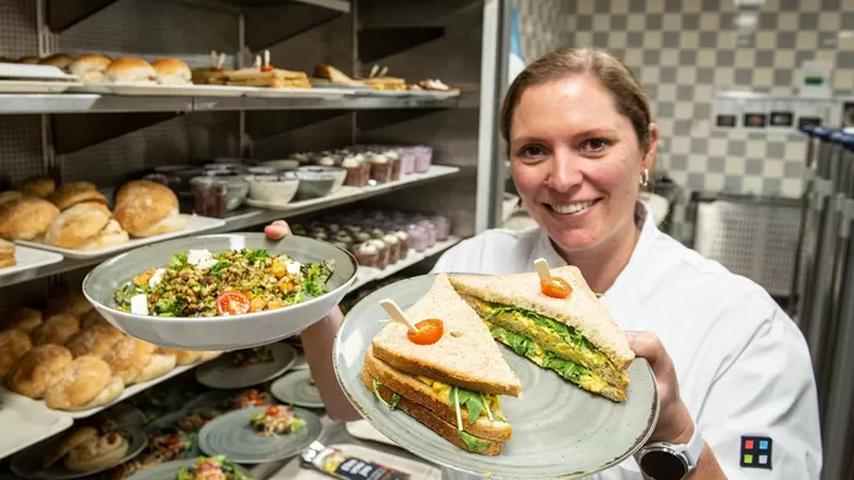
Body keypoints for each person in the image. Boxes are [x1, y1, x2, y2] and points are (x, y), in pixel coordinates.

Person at [268, 48, 821, 479]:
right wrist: (315, 300)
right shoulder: (471, 263)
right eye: (533, 150)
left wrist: (673, 432)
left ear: (647, 149)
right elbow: (352, 404)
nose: (561, 178)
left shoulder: (747, 328)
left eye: (594, 144)